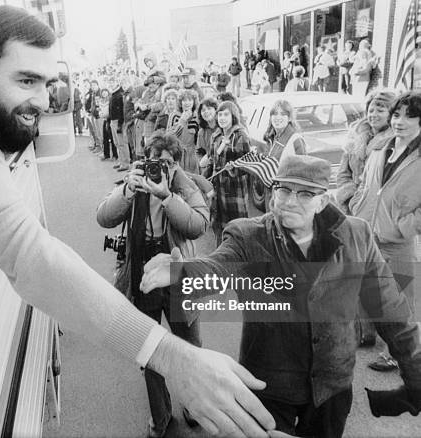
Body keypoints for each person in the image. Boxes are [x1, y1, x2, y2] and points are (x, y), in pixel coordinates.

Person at [0, 6, 274, 436]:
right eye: (26, 80)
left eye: (48, 84)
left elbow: (197, 222)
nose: (44, 102)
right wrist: (172, 357)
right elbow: (38, 257)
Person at [141, 154, 421, 438]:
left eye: (304, 193)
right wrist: (182, 271)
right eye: (283, 189)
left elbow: (390, 309)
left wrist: (416, 375)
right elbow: (218, 267)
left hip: (332, 386)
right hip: (269, 387)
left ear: (323, 201)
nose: (289, 200)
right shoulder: (249, 235)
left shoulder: (356, 235)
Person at [97, 131, 209, 438]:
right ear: (144, 161)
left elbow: (197, 225)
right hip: (144, 274)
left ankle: (195, 407)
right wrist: (127, 191)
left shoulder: (183, 185)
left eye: (167, 163)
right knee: (149, 352)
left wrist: (166, 196)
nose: (159, 168)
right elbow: (103, 217)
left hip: (177, 275)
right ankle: (160, 419)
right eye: (153, 161)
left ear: (175, 165)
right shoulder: (136, 182)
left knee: (191, 350)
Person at [350, 91, 421, 372]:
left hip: (397, 241)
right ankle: (381, 341)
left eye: (410, 115)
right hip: (370, 234)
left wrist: (407, 224)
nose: (400, 121)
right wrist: (356, 205)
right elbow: (366, 186)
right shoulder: (383, 147)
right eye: (397, 114)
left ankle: (406, 355)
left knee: (402, 298)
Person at [204, 101, 250, 242]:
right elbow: (212, 159)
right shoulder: (216, 135)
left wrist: (233, 169)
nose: (222, 118)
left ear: (233, 116)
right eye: (220, 114)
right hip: (218, 188)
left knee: (237, 229)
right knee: (218, 226)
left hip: (234, 191)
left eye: (226, 114)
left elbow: (247, 165)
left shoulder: (240, 135)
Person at [262, 100, 307, 210]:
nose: (278, 118)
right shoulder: (271, 138)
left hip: (288, 197)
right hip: (271, 194)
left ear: (290, 118)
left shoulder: (296, 139)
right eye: (275, 114)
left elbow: (303, 172)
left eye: (283, 114)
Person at [167, 89, 200, 174]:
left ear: (194, 102)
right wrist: (182, 121)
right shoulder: (174, 115)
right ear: (180, 103)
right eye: (184, 100)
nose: (187, 103)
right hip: (177, 153)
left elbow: (198, 139)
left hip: (192, 155)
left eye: (190, 100)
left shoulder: (197, 117)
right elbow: (169, 136)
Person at [108, 76, 130, 171]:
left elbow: (122, 110)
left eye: (113, 82)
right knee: (117, 143)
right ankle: (121, 161)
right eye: (110, 83)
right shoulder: (113, 94)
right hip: (113, 120)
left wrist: (120, 124)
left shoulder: (120, 94)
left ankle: (125, 163)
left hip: (118, 121)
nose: (111, 84)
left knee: (122, 143)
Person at [196, 97, 220, 174]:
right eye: (203, 110)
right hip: (209, 169)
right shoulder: (202, 132)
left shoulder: (222, 127)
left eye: (209, 108)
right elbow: (199, 152)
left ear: (216, 110)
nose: (206, 112)